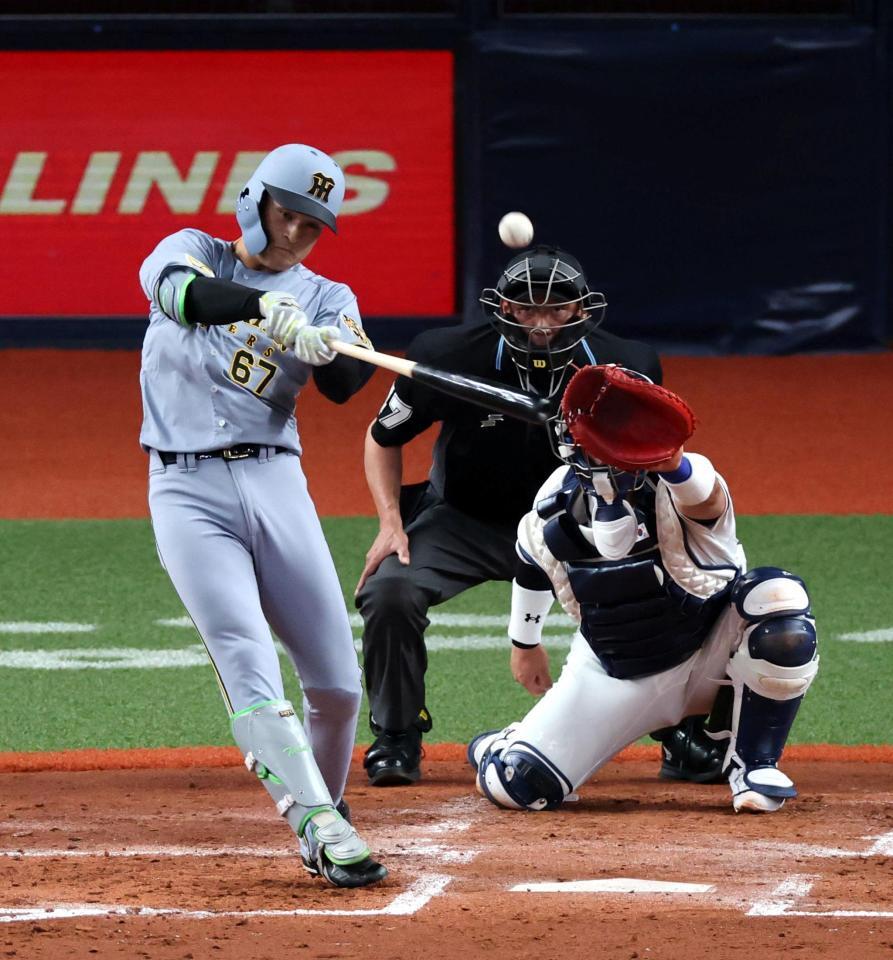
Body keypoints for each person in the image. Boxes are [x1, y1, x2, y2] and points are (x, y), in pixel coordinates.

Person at [356, 243, 723, 787]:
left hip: (578, 523)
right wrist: (391, 522)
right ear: (502, 307)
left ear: (581, 309)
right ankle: (397, 732)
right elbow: (382, 437)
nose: (542, 324)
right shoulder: (446, 355)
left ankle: (677, 731)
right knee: (389, 591)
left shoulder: (625, 365)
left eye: (557, 309)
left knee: (658, 594)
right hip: (466, 518)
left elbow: (645, 458)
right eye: (526, 308)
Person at [138, 143, 386, 888]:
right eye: (288, 214)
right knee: (248, 661)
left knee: (339, 688)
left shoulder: (327, 295)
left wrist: (338, 346)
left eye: (313, 224)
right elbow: (181, 296)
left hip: (276, 481)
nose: (297, 234)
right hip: (186, 492)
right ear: (254, 201)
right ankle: (317, 819)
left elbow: (344, 386)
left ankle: (325, 813)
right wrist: (260, 306)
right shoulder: (192, 249)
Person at [467, 365, 819, 815]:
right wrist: (525, 643)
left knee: (776, 600)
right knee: (515, 784)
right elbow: (533, 564)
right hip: (617, 672)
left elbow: (706, 495)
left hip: (711, 647)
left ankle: (752, 764)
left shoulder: (684, 482)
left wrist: (668, 459)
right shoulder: (552, 504)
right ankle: (505, 744)